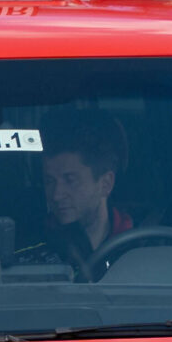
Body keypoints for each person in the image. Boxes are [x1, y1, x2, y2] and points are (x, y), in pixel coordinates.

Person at [34, 114, 135, 276]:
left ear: (105, 184)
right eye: (50, 181)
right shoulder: (31, 250)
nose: (56, 195)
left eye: (70, 180)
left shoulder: (140, 248)